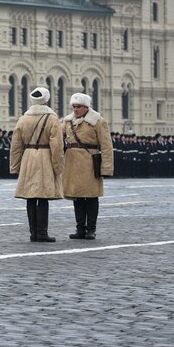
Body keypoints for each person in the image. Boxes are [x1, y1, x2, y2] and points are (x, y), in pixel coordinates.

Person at [9, 87, 63, 243]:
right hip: (45, 157)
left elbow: (16, 145)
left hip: (28, 158)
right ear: (47, 100)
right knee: (43, 197)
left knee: (30, 197)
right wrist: (58, 166)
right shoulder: (52, 119)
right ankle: (42, 232)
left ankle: (33, 232)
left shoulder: (23, 118)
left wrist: (15, 166)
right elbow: (57, 146)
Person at [61, 92, 113, 240]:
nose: (75, 110)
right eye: (74, 107)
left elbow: (106, 145)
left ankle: (91, 229)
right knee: (76, 197)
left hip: (90, 162)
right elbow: (57, 136)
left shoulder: (97, 121)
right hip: (72, 163)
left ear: (86, 107)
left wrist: (106, 167)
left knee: (91, 197)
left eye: (78, 107)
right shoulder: (67, 121)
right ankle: (80, 229)